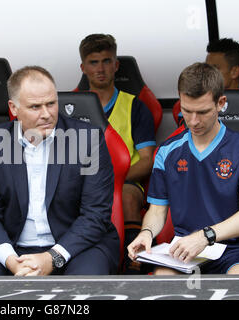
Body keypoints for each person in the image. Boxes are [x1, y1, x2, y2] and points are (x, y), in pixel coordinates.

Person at [0, 66, 120, 276]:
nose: (46, 114)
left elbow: (96, 214)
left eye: (51, 104)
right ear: (14, 108)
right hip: (14, 248)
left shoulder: (87, 140)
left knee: (84, 292)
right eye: (35, 107)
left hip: (79, 246)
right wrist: (11, 261)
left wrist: (52, 258)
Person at [128, 62, 239, 275]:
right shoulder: (167, 152)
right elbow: (157, 211)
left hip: (235, 250)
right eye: (186, 111)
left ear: (221, 103)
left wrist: (204, 236)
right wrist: (146, 232)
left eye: (202, 112)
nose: (193, 121)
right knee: (163, 283)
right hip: (185, 251)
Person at [78, 33, 156, 273]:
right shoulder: (71, 106)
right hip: (79, 181)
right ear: (83, 67)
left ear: (116, 65)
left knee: (128, 196)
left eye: (106, 61)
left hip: (125, 181)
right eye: (93, 62)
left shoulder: (135, 106)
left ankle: (134, 262)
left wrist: (113, 180)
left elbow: (146, 160)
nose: (100, 68)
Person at [176, 38, 239, 127]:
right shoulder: (195, 103)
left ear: (234, 72)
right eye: (207, 68)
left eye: (215, 68)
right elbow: (184, 130)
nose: (207, 73)